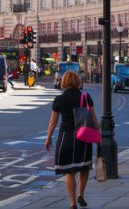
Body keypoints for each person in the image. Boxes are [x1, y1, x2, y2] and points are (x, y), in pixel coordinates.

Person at [45, 71, 97, 209]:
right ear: (77, 82)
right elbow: (93, 118)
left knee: (69, 170)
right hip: (84, 135)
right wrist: (98, 135)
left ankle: (72, 202)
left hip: (66, 136)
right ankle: (81, 194)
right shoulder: (85, 97)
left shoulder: (59, 99)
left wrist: (48, 138)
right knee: (84, 166)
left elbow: (52, 122)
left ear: (64, 82)